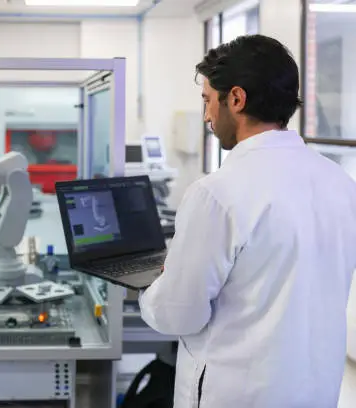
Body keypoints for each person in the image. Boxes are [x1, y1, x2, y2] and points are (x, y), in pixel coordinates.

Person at [138, 34, 356, 408]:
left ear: (235, 99)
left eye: (208, 100)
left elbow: (179, 314)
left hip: (238, 394)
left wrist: (154, 288)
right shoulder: (340, 183)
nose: (206, 115)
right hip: (316, 390)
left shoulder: (217, 194)